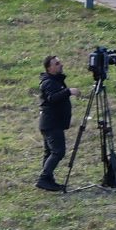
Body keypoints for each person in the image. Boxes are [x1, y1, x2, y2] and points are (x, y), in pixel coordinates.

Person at [36, 55, 72, 191]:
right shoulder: (49, 82)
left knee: (49, 152)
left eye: (59, 62)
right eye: (57, 64)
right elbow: (52, 98)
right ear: (49, 68)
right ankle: (44, 178)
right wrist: (68, 91)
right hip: (52, 124)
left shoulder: (54, 80)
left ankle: (48, 180)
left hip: (50, 123)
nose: (60, 65)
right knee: (58, 152)